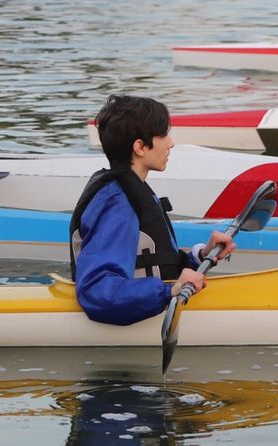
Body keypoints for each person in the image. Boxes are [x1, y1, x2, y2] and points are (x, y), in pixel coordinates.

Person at [70, 94, 236, 326]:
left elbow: (155, 264)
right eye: (163, 135)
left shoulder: (132, 189)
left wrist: (201, 255)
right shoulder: (117, 204)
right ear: (140, 147)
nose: (171, 143)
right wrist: (169, 292)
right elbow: (97, 291)